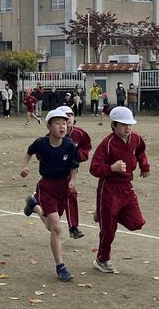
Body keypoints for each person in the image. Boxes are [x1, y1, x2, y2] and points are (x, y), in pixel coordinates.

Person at [21, 109, 79, 283]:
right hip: (46, 187)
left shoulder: (69, 144)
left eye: (65, 123)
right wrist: (25, 167)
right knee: (57, 228)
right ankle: (61, 267)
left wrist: (72, 180)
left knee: (50, 226)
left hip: (63, 188)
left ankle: (34, 205)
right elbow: (29, 152)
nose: (62, 127)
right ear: (49, 126)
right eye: (58, 123)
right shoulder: (41, 143)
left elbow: (74, 165)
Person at [89, 106, 149, 274]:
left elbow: (141, 151)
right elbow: (94, 168)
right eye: (123, 124)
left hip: (126, 188)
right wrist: (111, 168)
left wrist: (144, 166)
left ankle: (104, 214)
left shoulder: (136, 138)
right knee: (108, 231)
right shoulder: (107, 144)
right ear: (114, 125)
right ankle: (102, 260)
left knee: (137, 223)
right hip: (108, 188)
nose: (127, 128)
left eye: (130, 124)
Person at [57, 105, 89, 239]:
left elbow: (86, 148)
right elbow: (41, 153)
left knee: (71, 195)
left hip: (70, 172)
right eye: (65, 116)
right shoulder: (51, 135)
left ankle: (73, 228)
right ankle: (35, 202)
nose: (68, 118)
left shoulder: (80, 134)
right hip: (54, 174)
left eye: (70, 115)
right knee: (54, 204)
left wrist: (77, 156)